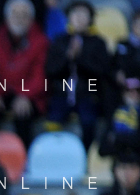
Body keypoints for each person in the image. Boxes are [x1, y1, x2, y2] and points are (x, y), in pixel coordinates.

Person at [0, 0, 48, 147]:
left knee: (23, 113)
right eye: (15, 14)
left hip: (29, 94)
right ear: (7, 17)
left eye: (24, 15)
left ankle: (24, 155)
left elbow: (40, 77)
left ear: (31, 19)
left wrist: (25, 95)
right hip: (2, 91)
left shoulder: (41, 42)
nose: (19, 19)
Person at [45, 0, 109, 152]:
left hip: (88, 95)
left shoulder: (98, 42)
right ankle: (54, 154)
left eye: (83, 14)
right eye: (75, 13)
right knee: (52, 122)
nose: (79, 18)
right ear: (69, 17)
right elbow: (51, 70)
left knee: (88, 121)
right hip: (61, 94)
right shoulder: (59, 41)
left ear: (90, 19)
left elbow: (101, 71)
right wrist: (67, 57)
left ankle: (86, 155)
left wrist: (79, 58)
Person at [99, 78, 140, 195]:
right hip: (120, 173)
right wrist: (130, 140)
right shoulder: (116, 115)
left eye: (138, 90)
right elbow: (102, 149)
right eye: (129, 90)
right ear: (123, 93)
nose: (134, 94)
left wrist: (116, 139)